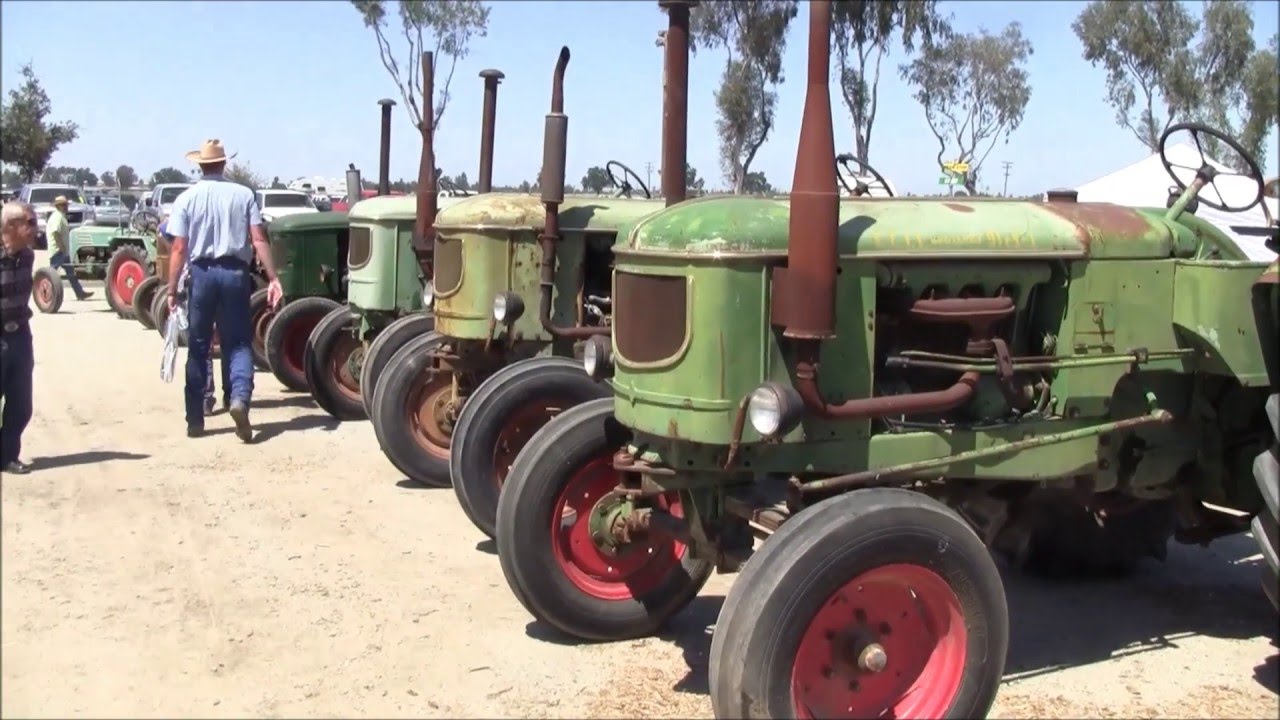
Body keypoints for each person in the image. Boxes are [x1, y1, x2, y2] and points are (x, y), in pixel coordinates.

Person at [165, 139, 282, 441]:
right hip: (234, 273)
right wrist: (273, 278)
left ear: (200, 166)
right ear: (224, 163)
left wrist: (171, 289)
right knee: (239, 343)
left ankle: (195, 419)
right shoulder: (243, 195)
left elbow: (178, 247)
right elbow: (258, 239)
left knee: (199, 346)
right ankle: (240, 398)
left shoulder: (186, 199)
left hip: (202, 274)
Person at [159, 215, 226, 416]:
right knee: (221, 343)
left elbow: (164, 229)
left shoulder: (182, 229)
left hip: (192, 286)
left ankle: (204, 397)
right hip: (215, 281)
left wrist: (172, 291)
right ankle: (220, 395)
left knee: (199, 345)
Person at [1, 201, 37, 474]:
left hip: (21, 336)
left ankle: (8, 456)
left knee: (21, 404)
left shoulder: (28, 256)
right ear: (11, 226)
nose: (36, 228)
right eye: (31, 223)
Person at [45, 196, 93, 301]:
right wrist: (61, 247)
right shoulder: (57, 217)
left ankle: (80, 293)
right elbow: (55, 233)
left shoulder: (60, 216)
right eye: (64, 205)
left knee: (71, 274)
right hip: (58, 251)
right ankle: (46, 293)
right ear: (58, 206)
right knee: (51, 275)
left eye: (66, 205)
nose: (66, 207)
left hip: (63, 251)